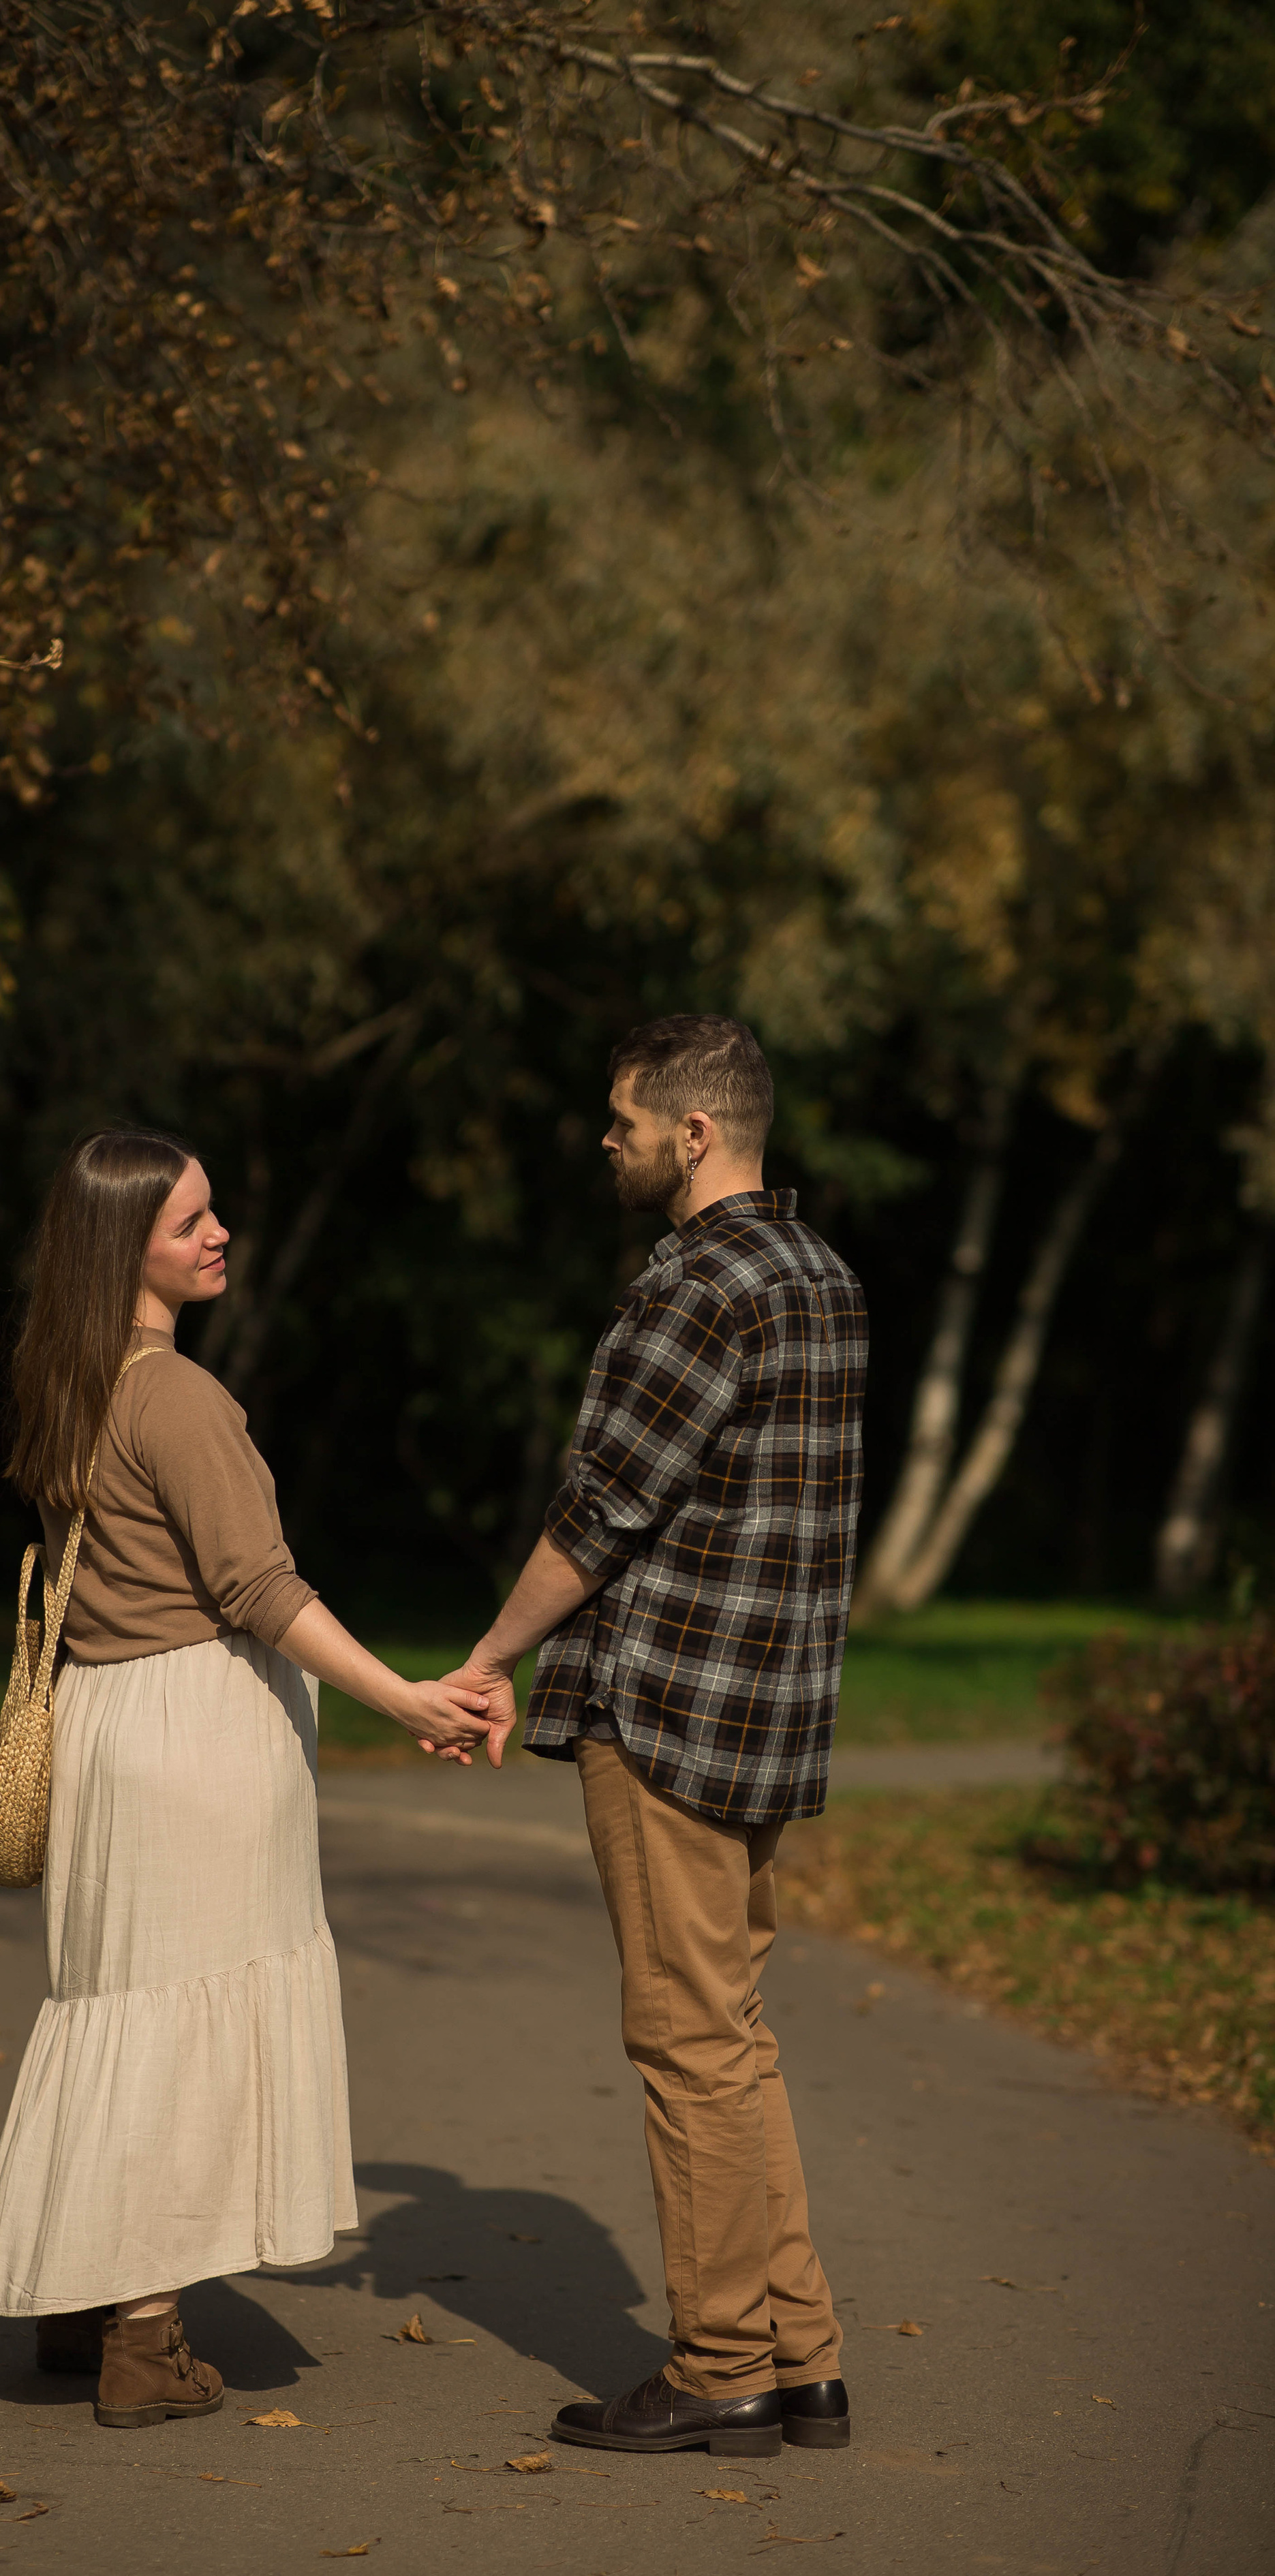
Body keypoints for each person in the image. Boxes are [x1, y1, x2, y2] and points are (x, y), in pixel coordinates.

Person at [0, 1128, 489, 2428]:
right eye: (190, 1221)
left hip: (106, 1730)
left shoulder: (63, 1383)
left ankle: (82, 2300)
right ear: (121, 1247)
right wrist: (404, 1698)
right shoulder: (176, 1398)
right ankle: (143, 2341)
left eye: (214, 1213)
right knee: (182, 2036)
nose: (219, 1236)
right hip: (196, 1738)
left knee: (118, 2010)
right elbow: (258, 1590)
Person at [437, 1014, 867, 2461]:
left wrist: (491, 1657)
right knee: (729, 2039)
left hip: (669, 1711)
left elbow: (603, 1513)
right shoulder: (820, 1277)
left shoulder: (696, 1287)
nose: (602, 1138)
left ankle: (715, 2368)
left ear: (693, 1133)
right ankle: (798, 2359)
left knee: (682, 2042)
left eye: (620, 1119)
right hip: (766, 1719)